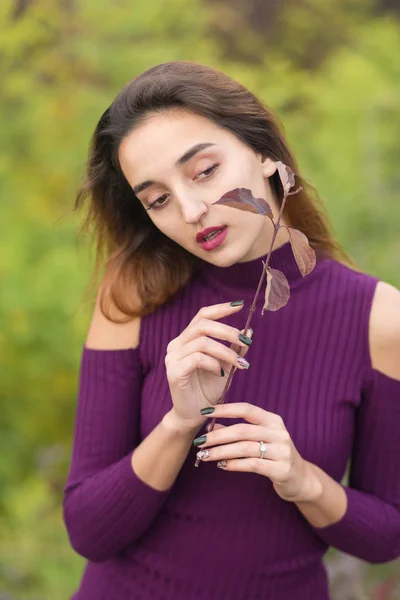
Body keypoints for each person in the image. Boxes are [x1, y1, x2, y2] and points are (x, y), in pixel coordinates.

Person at [63, 61, 400, 600]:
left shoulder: (381, 318)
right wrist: (178, 425)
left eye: (204, 171)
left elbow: (386, 534)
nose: (192, 211)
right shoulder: (132, 297)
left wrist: (304, 481)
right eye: (158, 200)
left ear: (264, 151)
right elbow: (89, 529)